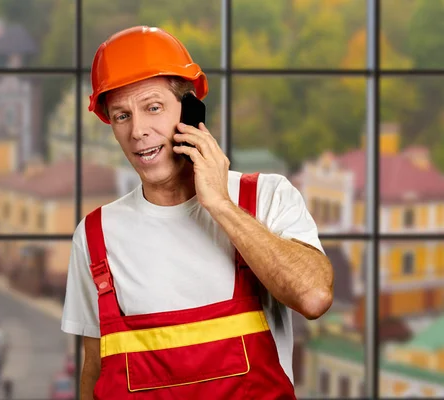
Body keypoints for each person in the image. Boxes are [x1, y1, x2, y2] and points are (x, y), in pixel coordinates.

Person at [61, 26, 334, 399]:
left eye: (153, 108)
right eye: (122, 116)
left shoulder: (267, 197)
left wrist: (220, 204)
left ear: (190, 112)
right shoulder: (96, 236)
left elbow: (315, 297)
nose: (138, 130)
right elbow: (95, 370)